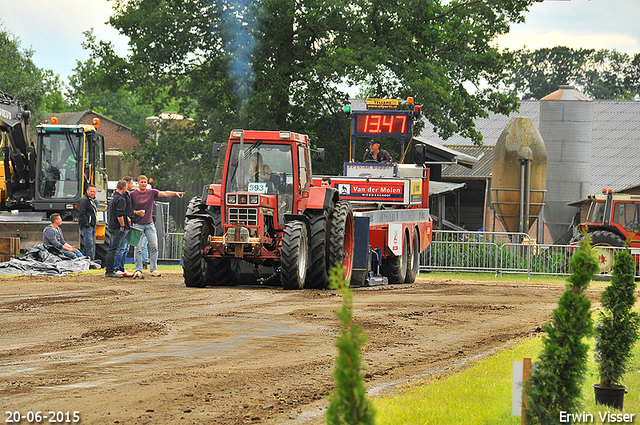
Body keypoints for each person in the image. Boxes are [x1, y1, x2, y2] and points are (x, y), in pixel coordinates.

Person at [130, 175, 184, 278]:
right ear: (137, 183)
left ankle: (153, 269)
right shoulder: (132, 194)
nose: (143, 184)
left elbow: (164, 193)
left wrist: (175, 193)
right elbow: (128, 209)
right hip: (137, 224)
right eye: (141, 182)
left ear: (147, 183)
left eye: (145, 182)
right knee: (138, 248)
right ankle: (138, 270)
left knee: (154, 246)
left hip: (149, 224)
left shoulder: (151, 192)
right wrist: (136, 212)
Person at [114, 176, 138, 277]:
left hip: (128, 224)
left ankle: (121, 267)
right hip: (124, 224)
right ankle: (117, 268)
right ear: (127, 184)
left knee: (126, 247)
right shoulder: (121, 196)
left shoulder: (126, 194)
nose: (133, 185)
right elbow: (121, 211)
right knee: (121, 247)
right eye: (132, 183)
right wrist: (124, 221)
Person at [105, 180, 129, 278]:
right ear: (124, 188)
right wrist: (122, 225)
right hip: (117, 227)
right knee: (114, 249)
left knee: (111, 249)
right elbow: (120, 214)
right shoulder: (121, 199)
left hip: (111, 225)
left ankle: (109, 269)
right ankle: (110, 271)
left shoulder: (114, 197)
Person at [78, 184, 99, 260]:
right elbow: (81, 213)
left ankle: (82, 258)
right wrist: (86, 224)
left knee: (90, 244)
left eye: (94, 191)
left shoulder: (93, 201)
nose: (92, 193)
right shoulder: (83, 201)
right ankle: (91, 261)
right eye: (91, 191)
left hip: (93, 225)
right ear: (87, 191)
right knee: (89, 244)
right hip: (87, 226)